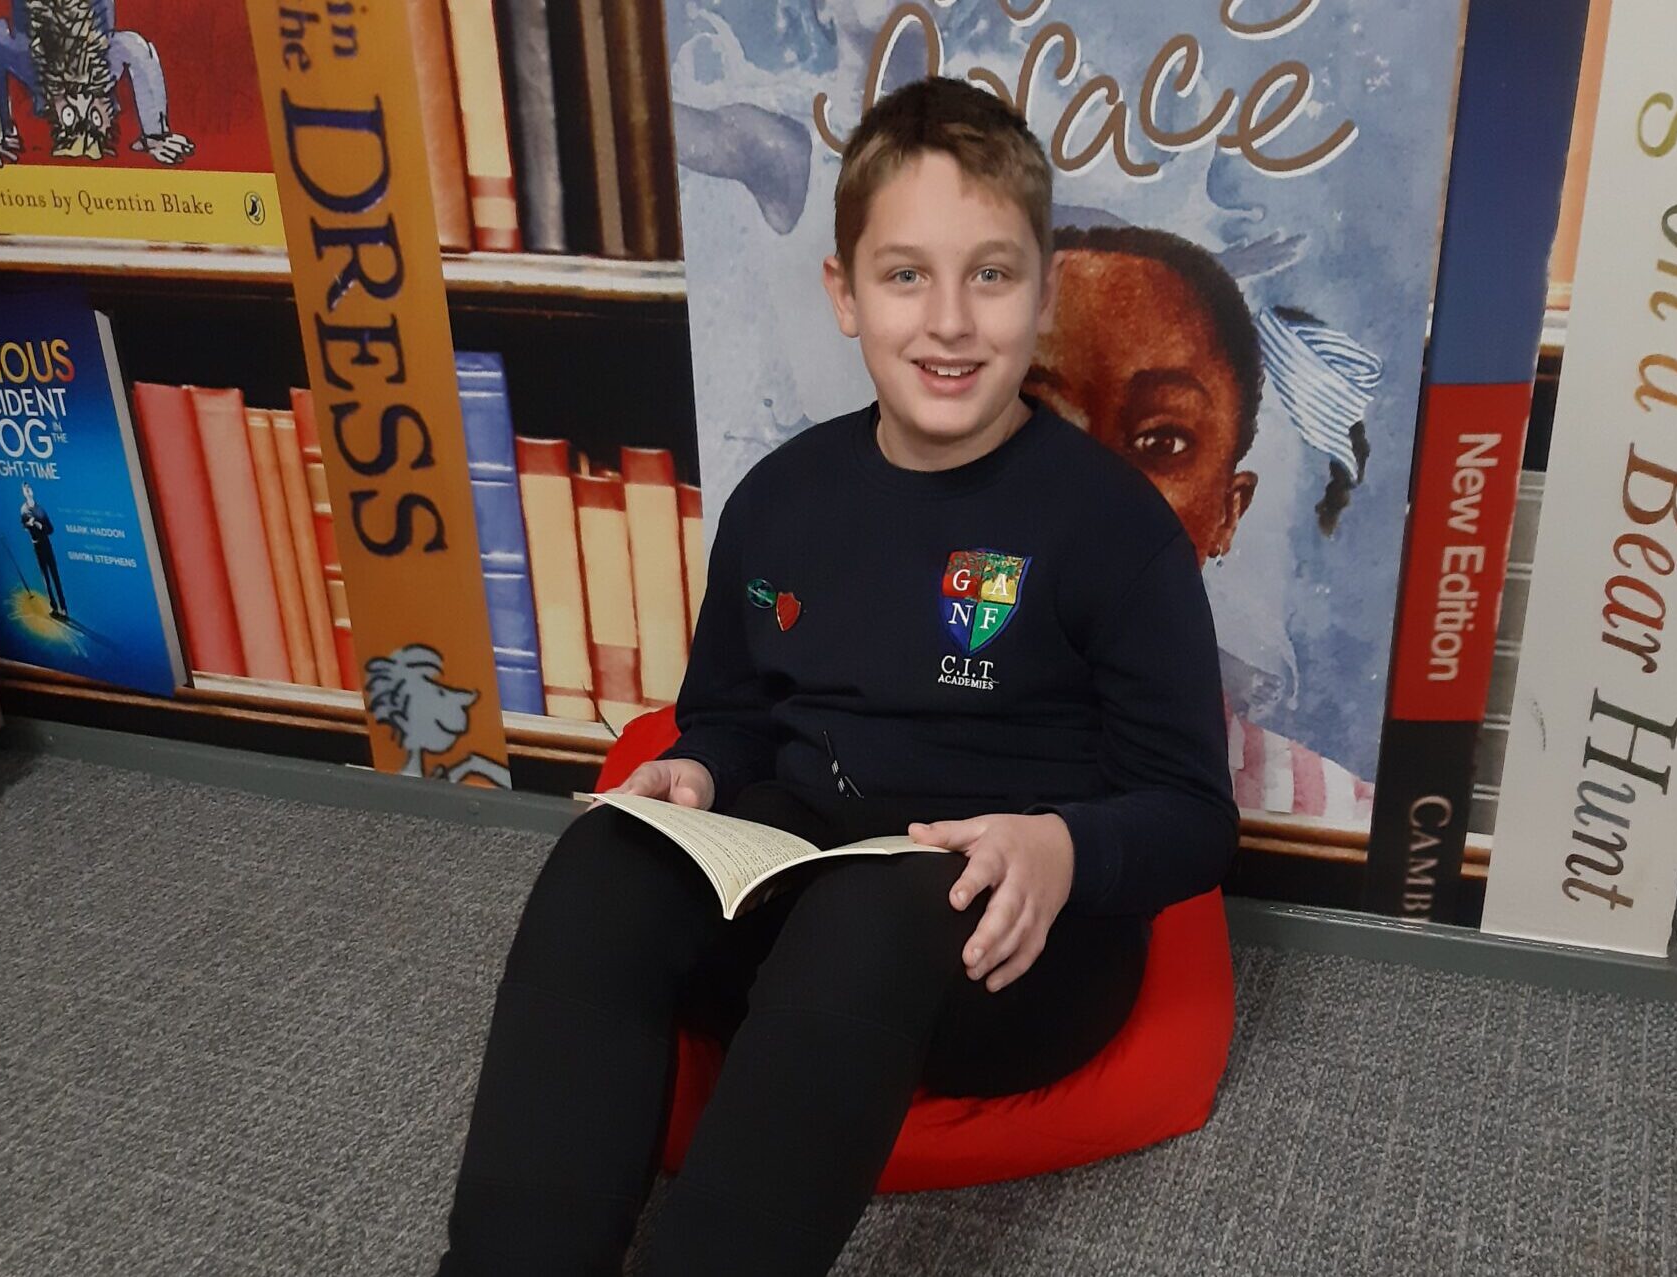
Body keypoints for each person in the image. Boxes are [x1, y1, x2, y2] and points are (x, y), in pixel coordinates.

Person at [436, 76, 1238, 1277]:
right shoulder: (782, 497)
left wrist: (1062, 848)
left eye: (991, 275)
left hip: (1011, 940)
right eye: (906, 275)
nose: (949, 321)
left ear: (1043, 294)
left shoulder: (1115, 530)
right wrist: (697, 769)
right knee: (606, 857)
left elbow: (1192, 816)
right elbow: (727, 712)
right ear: (844, 294)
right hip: (797, 873)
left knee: (881, 907)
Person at [1028, 226, 1375, 823]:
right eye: (1042, 425)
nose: (1093, 487)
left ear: (1228, 510)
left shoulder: (1332, 813)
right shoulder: (903, 740)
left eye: (1162, 441)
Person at [19, 481, 66, 619]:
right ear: (23, 493)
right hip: (36, 546)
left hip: (46, 544)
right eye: (25, 489)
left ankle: (63, 608)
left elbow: (51, 529)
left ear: (32, 491)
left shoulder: (40, 510)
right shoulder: (23, 510)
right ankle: (54, 608)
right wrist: (29, 524)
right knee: (46, 578)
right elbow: (23, 525)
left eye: (29, 488)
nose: (28, 491)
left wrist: (41, 526)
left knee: (54, 576)